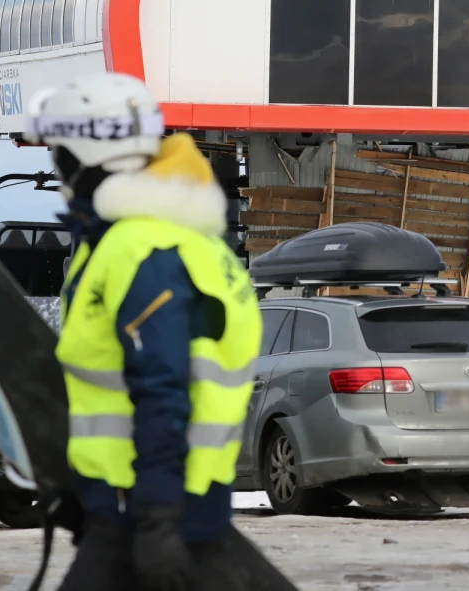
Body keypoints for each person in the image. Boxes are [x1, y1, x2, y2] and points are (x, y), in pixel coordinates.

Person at [23, 72, 290, 591]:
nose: (55, 166)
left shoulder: (141, 251)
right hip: (149, 502)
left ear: (84, 154)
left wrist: (157, 521)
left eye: (58, 152)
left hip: (147, 508)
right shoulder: (176, 241)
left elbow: (163, 392)